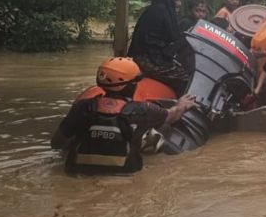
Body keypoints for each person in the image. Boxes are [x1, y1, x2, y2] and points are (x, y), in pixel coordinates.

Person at [51, 57, 196, 174]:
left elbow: (56, 143)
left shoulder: (81, 106)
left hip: (78, 172)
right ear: (131, 85)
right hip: (125, 173)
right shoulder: (143, 110)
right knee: (156, 131)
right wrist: (181, 104)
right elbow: (172, 116)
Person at [128, 0, 192, 94]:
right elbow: (173, 37)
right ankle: (179, 108)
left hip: (146, 56)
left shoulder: (154, 10)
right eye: (177, 0)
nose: (179, 4)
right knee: (185, 78)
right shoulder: (161, 11)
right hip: (149, 60)